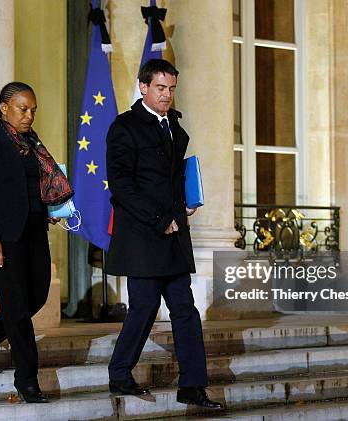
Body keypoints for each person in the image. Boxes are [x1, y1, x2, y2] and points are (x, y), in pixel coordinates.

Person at [105, 59, 223, 409]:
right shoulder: (123, 127)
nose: (167, 95)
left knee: (185, 309)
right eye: (160, 88)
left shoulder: (173, 124)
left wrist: (184, 203)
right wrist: (160, 219)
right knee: (143, 307)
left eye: (171, 88)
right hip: (142, 234)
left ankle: (192, 385)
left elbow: (171, 178)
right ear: (143, 87)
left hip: (172, 233)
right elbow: (122, 186)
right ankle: (120, 373)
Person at [0, 82, 61, 403]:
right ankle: (27, 379)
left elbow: (37, 183)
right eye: (23, 109)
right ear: (3, 107)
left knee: (37, 296)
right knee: (17, 309)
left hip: (35, 231)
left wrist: (49, 209)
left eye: (33, 109)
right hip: (3, 237)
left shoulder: (31, 141)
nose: (29, 115)